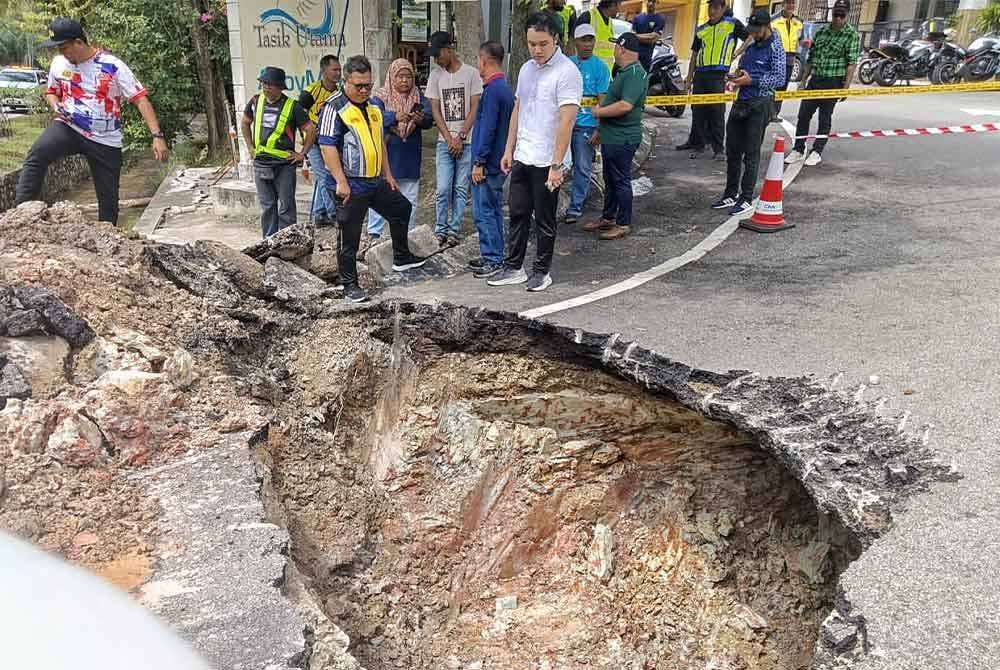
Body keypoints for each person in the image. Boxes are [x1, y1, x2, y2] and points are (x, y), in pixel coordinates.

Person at [15, 18, 169, 226]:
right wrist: (55, 105)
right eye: (58, 48)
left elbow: (140, 99)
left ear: (79, 42)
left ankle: (107, 239)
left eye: (65, 47)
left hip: (105, 138)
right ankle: (22, 216)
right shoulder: (59, 63)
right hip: (69, 126)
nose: (61, 52)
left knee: (108, 202)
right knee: (37, 154)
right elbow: (51, 91)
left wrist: (157, 136)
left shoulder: (112, 66)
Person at [319, 55, 427, 303]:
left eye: (368, 85)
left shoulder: (373, 107)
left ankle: (401, 257)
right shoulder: (333, 108)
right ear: (345, 82)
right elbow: (327, 148)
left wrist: (388, 174)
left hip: (374, 180)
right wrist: (341, 181)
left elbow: (380, 143)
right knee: (350, 236)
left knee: (402, 207)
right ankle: (349, 284)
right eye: (358, 86)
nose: (364, 90)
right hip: (350, 183)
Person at [487, 13, 582, 292]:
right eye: (531, 44)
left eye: (542, 44)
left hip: (547, 160)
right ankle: (514, 267)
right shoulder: (527, 69)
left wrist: (557, 165)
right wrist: (509, 148)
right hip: (523, 155)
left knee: (544, 218)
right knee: (517, 212)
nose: (537, 50)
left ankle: (541, 271)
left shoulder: (567, 73)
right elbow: (519, 109)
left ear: (556, 39)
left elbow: (567, 121)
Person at [711, 9, 785, 216]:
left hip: (760, 103)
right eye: (750, 29)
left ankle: (746, 197)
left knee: (751, 152)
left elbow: (780, 78)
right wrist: (735, 78)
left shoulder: (776, 47)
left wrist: (752, 80)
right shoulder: (752, 43)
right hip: (741, 100)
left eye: (756, 29)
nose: (752, 33)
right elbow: (744, 67)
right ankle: (730, 194)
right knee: (733, 149)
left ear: (766, 27)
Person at [241, 67, 316, 238]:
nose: (266, 87)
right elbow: (245, 123)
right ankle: (268, 243)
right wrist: (250, 148)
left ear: (280, 87)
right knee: (267, 206)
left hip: (284, 166)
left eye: (270, 84)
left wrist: (302, 153)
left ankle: (288, 243)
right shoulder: (255, 102)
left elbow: (310, 130)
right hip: (261, 164)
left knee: (286, 207)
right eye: (264, 84)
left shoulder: (292, 107)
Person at [585, 33, 647, 240]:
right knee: (610, 179)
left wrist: (598, 112)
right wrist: (600, 130)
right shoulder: (624, 72)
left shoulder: (635, 74)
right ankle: (609, 217)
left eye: (615, 47)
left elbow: (625, 105)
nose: (613, 51)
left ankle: (623, 223)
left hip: (623, 138)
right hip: (612, 136)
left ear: (621, 49)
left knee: (620, 180)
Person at [426, 31, 483, 248]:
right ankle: (440, 229)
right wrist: (449, 138)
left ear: (449, 49)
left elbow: (475, 106)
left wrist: (460, 136)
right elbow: (435, 109)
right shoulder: (435, 76)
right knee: (442, 189)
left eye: (438, 54)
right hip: (444, 141)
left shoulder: (471, 74)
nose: (436, 59)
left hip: (467, 142)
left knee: (460, 187)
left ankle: (454, 230)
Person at [785, 0, 859, 167]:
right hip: (816, 79)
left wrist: (845, 88)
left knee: (824, 118)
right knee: (803, 115)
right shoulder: (822, 32)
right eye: (836, 14)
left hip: (833, 81)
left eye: (842, 15)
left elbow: (851, 63)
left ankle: (817, 151)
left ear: (847, 15)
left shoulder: (851, 35)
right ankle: (798, 148)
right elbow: (811, 58)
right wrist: (803, 80)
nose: (838, 18)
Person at [367, 59, 433, 240]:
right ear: (391, 77)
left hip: (409, 157)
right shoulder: (380, 97)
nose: (404, 81)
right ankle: (375, 235)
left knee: (409, 198)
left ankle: (407, 234)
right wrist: (394, 116)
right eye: (400, 76)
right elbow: (374, 117)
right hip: (387, 155)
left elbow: (429, 119)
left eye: (408, 77)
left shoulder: (419, 97)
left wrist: (420, 119)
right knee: (380, 197)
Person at [677, 0, 747, 160]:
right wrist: (689, 79)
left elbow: (750, 36)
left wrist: (738, 51)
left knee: (716, 112)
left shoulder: (732, 24)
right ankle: (698, 144)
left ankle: (718, 149)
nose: (712, 10)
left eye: (716, 7)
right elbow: (694, 55)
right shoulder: (702, 29)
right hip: (700, 74)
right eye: (710, 7)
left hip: (718, 74)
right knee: (698, 111)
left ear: (723, 8)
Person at [469, 41, 515, 279]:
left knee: (484, 210)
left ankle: (493, 258)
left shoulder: (493, 91)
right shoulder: (504, 89)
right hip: (499, 161)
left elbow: (487, 129)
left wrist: (479, 161)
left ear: (483, 60)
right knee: (494, 209)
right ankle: (494, 253)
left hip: (488, 163)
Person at [564, 24, 611, 226]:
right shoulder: (566, 64)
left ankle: (575, 207)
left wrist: (599, 129)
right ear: (575, 42)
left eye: (591, 39)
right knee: (559, 166)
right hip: (564, 126)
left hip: (586, 127)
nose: (588, 44)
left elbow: (603, 100)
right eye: (584, 40)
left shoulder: (600, 67)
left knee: (582, 168)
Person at [299, 55, 341, 225]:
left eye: (339, 69)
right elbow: (298, 114)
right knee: (324, 177)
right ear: (324, 71)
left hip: (331, 142)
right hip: (313, 143)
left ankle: (318, 213)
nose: (338, 73)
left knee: (325, 176)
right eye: (334, 70)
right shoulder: (311, 91)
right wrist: (309, 131)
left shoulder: (340, 93)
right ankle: (334, 214)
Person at [771, 0, 807, 121]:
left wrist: (805, 43)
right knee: (773, 85)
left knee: (783, 87)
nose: (791, 6)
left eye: (793, 3)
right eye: (788, 3)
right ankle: (768, 111)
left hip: (791, 58)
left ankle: (775, 113)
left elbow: (801, 39)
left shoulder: (799, 22)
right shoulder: (773, 20)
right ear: (783, 4)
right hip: (776, 57)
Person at [573, 0, 621, 72]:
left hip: (605, 75)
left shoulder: (610, 22)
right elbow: (573, 42)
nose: (619, 9)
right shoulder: (588, 16)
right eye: (619, 4)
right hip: (589, 74)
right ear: (612, 4)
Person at [631, 0, 665, 73]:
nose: (650, 3)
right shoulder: (637, 18)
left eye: (653, 1)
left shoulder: (660, 19)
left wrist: (636, 36)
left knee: (643, 77)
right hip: (634, 54)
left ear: (657, 3)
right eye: (649, 1)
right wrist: (649, 36)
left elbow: (653, 38)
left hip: (647, 56)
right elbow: (632, 36)